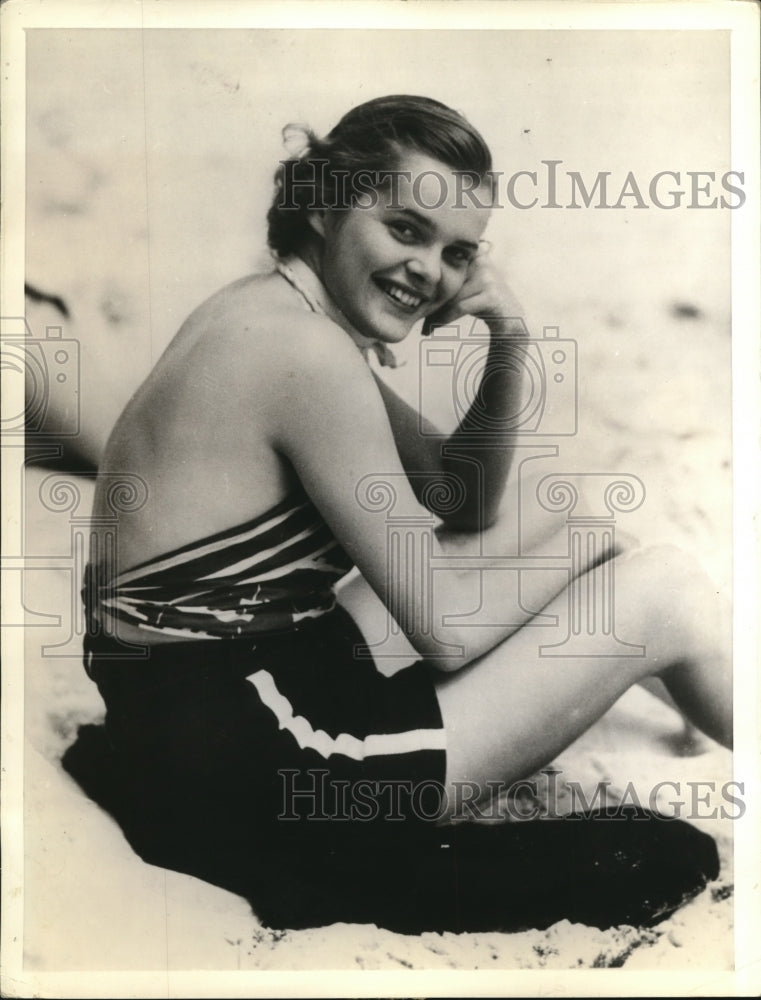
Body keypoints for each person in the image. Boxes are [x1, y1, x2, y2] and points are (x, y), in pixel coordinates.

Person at [66, 95, 731, 934]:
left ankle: (682, 692)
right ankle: (693, 673)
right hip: (271, 766)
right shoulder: (305, 355)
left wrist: (508, 337)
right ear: (320, 203)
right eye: (405, 229)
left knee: (583, 529)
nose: (429, 272)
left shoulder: (266, 313)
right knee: (661, 589)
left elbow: (463, 497)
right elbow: (443, 633)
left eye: (458, 253)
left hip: (186, 726)